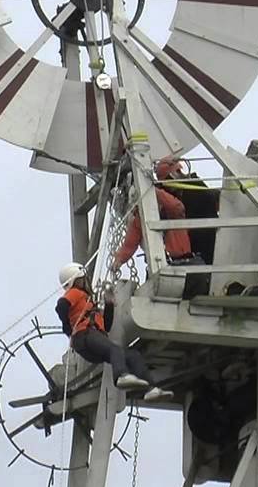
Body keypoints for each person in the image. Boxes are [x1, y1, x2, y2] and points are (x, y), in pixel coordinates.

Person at [55, 262, 172, 402]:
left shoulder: (87, 304)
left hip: (90, 340)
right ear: (76, 280)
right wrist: (68, 328)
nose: (87, 281)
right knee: (115, 349)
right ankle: (121, 376)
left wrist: (109, 303)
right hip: (84, 335)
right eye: (83, 279)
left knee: (132, 355)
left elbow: (107, 326)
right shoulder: (76, 293)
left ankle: (151, 388)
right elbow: (61, 306)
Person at [110, 159, 210, 299]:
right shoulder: (140, 220)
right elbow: (129, 244)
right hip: (167, 267)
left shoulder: (170, 211)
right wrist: (118, 260)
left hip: (185, 264)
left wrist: (153, 191)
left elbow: (177, 207)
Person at [156, 157, 220, 265]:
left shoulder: (193, 189)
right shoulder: (191, 187)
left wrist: (158, 192)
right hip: (202, 242)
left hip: (204, 240)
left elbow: (178, 208)